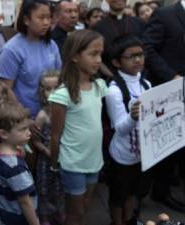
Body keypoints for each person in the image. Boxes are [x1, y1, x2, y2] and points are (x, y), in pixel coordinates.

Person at [49, 30, 108, 225]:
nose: (99, 60)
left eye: (101, 54)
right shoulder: (62, 94)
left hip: (94, 160)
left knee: (85, 206)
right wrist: (54, 163)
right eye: (93, 54)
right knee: (76, 212)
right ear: (74, 56)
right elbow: (55, 135)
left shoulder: (99, 86)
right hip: (73, 162)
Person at [143, 0, 185, 213]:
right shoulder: (165, 14)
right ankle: (160, 191)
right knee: (168, 145)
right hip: (168, 92)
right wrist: (172, 76)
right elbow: (148, 49)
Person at [105, 35, 152, 225]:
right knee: (118, 194)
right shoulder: (114, 90)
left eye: (140, 54)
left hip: (143, 153)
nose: (138, 60)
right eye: (131, 56)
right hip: (122, 154)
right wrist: (133, 117)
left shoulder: (146, 84)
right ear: (116, 62)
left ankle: (129, 219)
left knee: (133, 192)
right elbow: (120, 129)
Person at [0, 0, 62, 119]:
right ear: (26, 20)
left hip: (51, 113)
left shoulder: (51, 45)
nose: (46, 22)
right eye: (41, 18)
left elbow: (60, 77)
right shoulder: (11, 50)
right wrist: (23, 116)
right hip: (26, 119)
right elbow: (6, 89)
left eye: (48, 17)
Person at [0, 102, 38, 225]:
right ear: (4, 134)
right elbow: (24, 202)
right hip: (18, 217)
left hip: (4, 209)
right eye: (22, 129)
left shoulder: (0, 148)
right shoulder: (15, 168)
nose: (29, 133)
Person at [33, 71, 65, 225]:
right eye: (47, 88)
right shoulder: (42, 115)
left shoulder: (67, 111)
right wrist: (47, 151)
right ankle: (45, 217)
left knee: (61, 188)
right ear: (42, 91)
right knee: (45, 189)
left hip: (64, 158)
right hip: (46, 160)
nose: (52, 92)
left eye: (56, 88)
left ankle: (59, 213)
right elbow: (35, 141)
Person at [92, 0, 144, 77]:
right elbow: (97, 56)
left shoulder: (138, 22)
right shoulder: (98, 27)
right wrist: (113, 77)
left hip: (138, 76)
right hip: (110, 77)